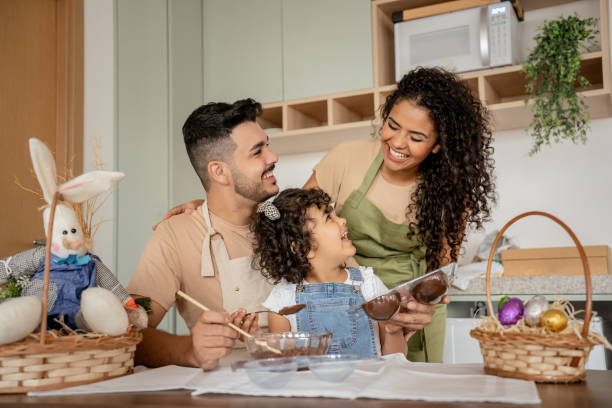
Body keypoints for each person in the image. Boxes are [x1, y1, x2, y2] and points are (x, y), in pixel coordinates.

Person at [302, 67, 496, 362]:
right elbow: (287, 218)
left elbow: (440, 270)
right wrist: (258, 207)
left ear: (438, 144)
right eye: (393, 125)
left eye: (416, 137)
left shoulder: (450, 190)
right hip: (347, 302)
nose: (398, 143)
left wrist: (425, 308)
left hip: (410, 312)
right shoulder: (346, 158)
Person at [127, 99, 279, 370]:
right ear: (219, 172)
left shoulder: (287, 221)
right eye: (258, 152)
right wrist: (190, 351)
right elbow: (127, 335)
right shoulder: (175, 236)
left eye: (268, 145)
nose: (273, 157)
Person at [252, 188, 406, 357]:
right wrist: (258, 340)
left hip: (370, 382)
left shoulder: (369, 285)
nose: (342, 219)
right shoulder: (283, 300)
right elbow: (284, 366)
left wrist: (393, 330)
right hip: (314, 384)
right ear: (303, 248)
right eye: (328, 217)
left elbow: (396, 358)